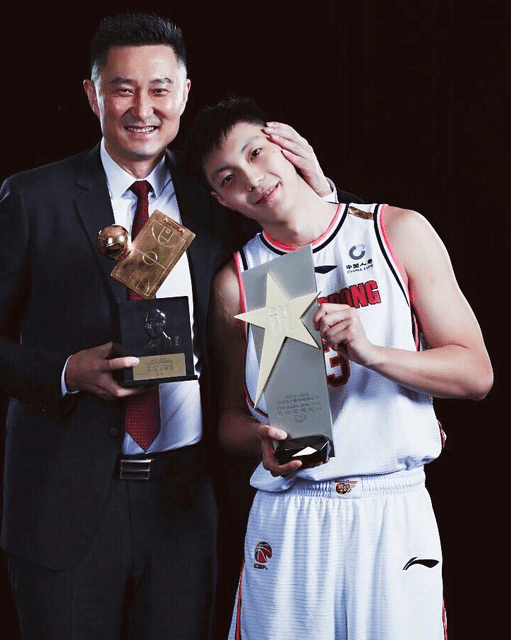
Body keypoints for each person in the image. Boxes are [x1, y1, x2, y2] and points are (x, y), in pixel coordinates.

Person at [0, 13, 347, 640]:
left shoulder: (217, 193)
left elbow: (300, 247)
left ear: (184, 95)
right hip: (64, 505)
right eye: (123, 89)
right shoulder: (33, 199)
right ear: (93, 95)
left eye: (159, 89)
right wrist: (65, 372)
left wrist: (316, 186)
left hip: (186, 506)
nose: (143, 109)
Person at [184, 96, 494, 640]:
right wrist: (259, 440)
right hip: (292, 510)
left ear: (284, 141)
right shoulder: (238, 280)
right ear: (220, 199)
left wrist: (373, 353)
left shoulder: (395, 231)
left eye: (256, 153)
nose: (252, 180)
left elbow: (476, 375)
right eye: (229, 178)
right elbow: (229, 420)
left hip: (391, 503)